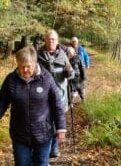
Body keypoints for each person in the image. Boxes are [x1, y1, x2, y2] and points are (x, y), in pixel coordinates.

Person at [0, 46, 66, 166]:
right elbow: (1, 103)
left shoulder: (46, 78)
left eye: (28, 66)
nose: (25, 70)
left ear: (35, 63)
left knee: (41, 164)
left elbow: (57, 104)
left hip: (43, 133)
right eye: (21, 66)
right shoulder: (11, 80)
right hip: (20, 134)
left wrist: (60, 127)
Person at [37, 29, 73, 158]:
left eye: (53, 39)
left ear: (57, 41)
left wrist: (69, 72)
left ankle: (54, 147)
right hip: (43, 95)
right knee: (46, 122)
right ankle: (47, 148)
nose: (51, 41)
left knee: (56, 122)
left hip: (60, 94)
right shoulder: (38, 55)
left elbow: (71, 74)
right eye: (48, 39)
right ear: (45, 40)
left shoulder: (63, 55)